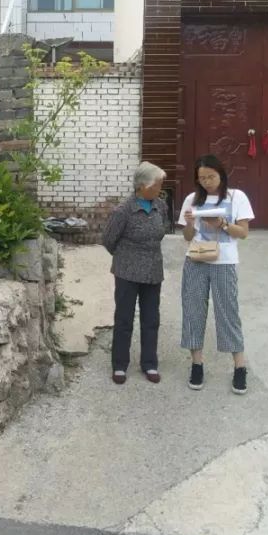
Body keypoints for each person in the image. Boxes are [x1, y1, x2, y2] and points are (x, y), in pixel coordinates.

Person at [178, 154, 255, 395]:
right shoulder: (192, 199)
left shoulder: (237, 196)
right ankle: (197, 364)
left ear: (221, 174)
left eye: (210, 176)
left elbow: (243, 233)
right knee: (193, 310)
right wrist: (189, 223)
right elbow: (187, 237)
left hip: (225, 261)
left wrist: (221, 224)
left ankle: (239, 367)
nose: (207, 182)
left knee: (228, 312)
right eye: (202, 178)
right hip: (196, 259)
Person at [102, 162, 170, 385]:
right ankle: (120, 365)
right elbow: (108, 240)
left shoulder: (161, 206)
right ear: (143, 185)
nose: (160, 187)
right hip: (127, 272)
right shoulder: (123, 211)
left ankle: (149, 363)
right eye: (157, 184)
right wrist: (126, 257)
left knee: (151, 319)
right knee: (124, 318)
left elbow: (163, 230)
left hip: (153, 271)